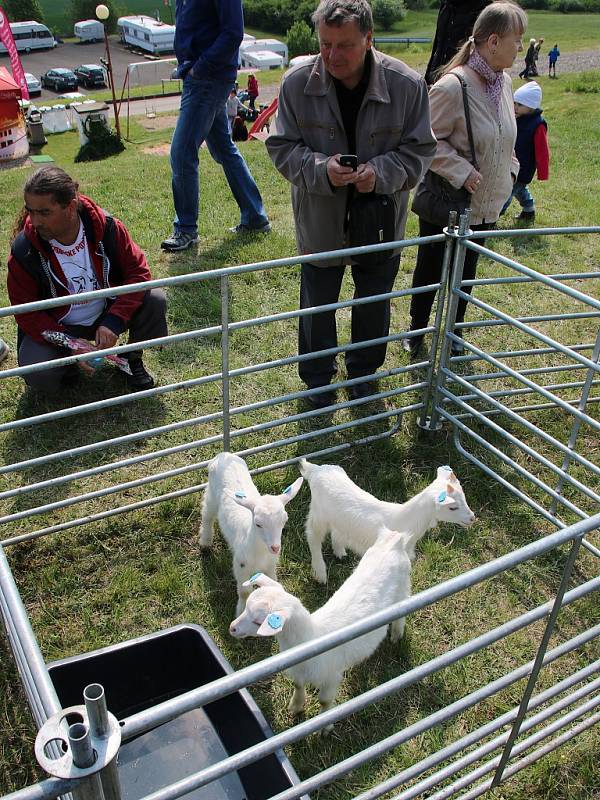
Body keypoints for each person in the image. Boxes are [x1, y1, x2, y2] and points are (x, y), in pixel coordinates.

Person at [266, 0, 436, 408]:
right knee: (317, 301)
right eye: (325, 44)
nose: (332, 56)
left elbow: (421, 151)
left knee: (374, 299)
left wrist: (380, 173)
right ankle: (318, 380)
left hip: (379, 217)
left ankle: (363, 372)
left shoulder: (407, 85)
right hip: (320, 217)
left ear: (369, 39)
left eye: (344, 45)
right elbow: (281, 146)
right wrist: (322, 169)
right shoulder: (296, 84)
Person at [404, 1, 524, 358]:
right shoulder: (453, 86)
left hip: (486, 204)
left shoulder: (504, 83)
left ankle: (454, 333)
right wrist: (462, 171)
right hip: (449, 201)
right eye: (516, 39)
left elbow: (505, 136)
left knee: (466, 272)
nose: (520, 46)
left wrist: (510, 172)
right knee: (431, 266)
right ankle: (418, 329)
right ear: (492, 41)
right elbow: (423, 141)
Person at [7, 167, 168, 395]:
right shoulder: (24, 250)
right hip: (60, 325)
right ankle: (69, 364)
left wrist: (113, 321)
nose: (34, 221)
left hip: (106, 311)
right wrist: (71, 344)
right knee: (39, 375)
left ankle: (130, 358)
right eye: (30, 211)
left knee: (155, 299)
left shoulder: (107, 227)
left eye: (44, 212)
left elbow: (138, 272)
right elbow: (26, 312)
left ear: (70, 206)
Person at [161, 0, 271, 252]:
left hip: (208, 78)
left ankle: (186, 228)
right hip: (201, 75)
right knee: (223, 148)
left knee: (182, 152)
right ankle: (255, 217)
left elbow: (233, 32)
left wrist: (200, 68)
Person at [501, 81, 549, 224]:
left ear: (531, 106)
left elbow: (542, 151)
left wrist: (543, 172)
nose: (515, 107)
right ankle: (529, 209)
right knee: (520, 189)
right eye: (514, 103)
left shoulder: (538, 125)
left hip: (524, 167)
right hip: (510, 162)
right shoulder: (517, 118)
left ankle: (494, 216)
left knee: (507, 192)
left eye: (520, 105)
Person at [425, 0, 492, 86]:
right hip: (437, 78)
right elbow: (438, 44)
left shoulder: (484, 7)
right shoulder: (446, 4)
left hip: (464, 81)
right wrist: (427, 78)